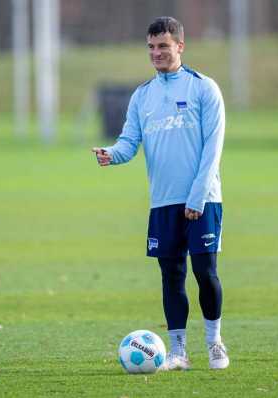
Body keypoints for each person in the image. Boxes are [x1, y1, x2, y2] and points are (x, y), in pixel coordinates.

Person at [92, 16, 228, 371]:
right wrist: (111, 154)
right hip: (163, 202)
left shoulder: (204, 88)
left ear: (180, 46)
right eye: (151, 47)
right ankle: (178, 351)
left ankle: (214, 343)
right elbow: (129, 142)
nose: (157, 53)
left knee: (205, 271)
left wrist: (197, 198)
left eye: (163, 46)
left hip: (203, 200)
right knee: (171, 276)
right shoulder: (143, 95)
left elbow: (213, 149)